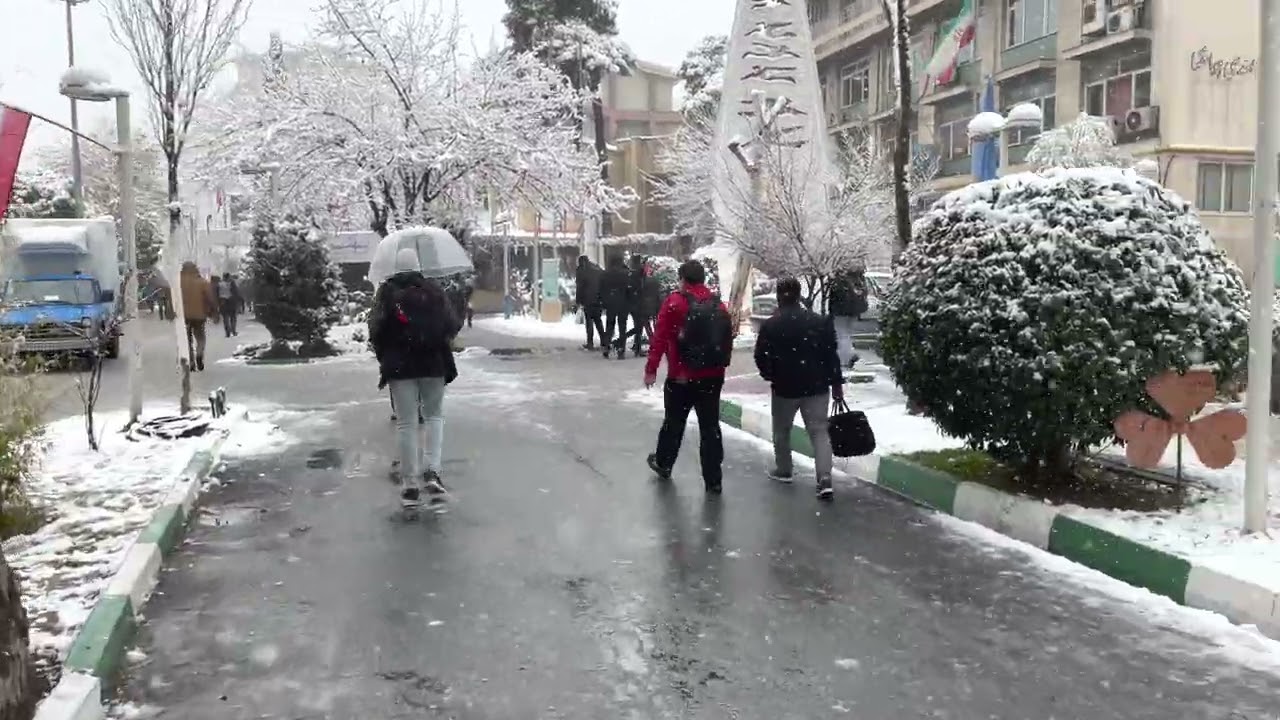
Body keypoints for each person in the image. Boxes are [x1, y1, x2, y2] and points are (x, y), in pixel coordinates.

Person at [369, 248, 462, 508]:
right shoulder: (433, 291)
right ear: (418, 266)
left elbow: (376, 329)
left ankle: (410, 482)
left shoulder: (387, 294)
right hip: (433, 364)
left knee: (406, 423)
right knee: (434, 417)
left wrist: (388, 354)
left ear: (395, 267)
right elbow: (452, 324)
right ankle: (432, 472)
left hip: (401, 367)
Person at [644, 260, 735, 494]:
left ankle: (664, 463)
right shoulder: (718, 305)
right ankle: (713, 479)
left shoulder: (675, 303)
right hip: (712, 377)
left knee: (674, 423)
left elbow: (660, 338)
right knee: (710, 427)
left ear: (683, 279)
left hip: (681, 377)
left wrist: (651, 369)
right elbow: (725, 338)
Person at [754, 277, 844, 499]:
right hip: (817, 386)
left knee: (782, 430)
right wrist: (837, 385)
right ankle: (824, 478)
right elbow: (831, 356)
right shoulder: (819, 322)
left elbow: (760, 356)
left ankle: (784, 469)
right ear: (799, 294)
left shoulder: (771, 325)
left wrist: (771, 374)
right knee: (819, 432)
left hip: (785, 387)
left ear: (778, 295)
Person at [179, 262, 218, 371]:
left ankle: (191, 361)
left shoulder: (178, 282)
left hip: (184, 316)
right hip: (199, 315)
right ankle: (199, 355)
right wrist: (214, 312)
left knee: (187, 340)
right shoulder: (202, 282)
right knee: (200, 337)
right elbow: (210, 298)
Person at [826, 269, 868, 369]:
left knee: (841, 335)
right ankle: (847, 356)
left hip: (841, 313)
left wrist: (832, 312)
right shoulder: (854, 280)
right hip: (851, 313)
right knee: (847, 335)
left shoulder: (838, 283)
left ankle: (844, 359)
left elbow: (833, 300)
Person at [598, 255, 631, 359]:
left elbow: (601, 289)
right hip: (623, 303)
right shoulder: (626, 273)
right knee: (622, 327)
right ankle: (621, 350)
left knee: (609, 326)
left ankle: (606, 347)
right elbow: (629, 289)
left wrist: (604, 301)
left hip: (611, 303)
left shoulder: (605, 274)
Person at [574, 255, 605, 350]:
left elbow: (580, 287)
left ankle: (590, 342)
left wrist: (578, 301)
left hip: (588, 300)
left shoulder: (581, 270)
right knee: (598, 320)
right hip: (599, 299)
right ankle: (604, 341)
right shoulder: (598, 269)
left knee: (589, 321)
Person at [623, 255, 648, 357]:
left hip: (629, 302)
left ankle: (624, 341)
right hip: (638, 302)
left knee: (637, 326)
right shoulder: (639, 272)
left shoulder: (629, 273)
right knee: (639, 327)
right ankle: (636, 347)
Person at [217, 273, 243, 337]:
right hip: (232, 301)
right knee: (233, 318)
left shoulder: (220, 284)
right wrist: (238, 300)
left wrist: (218, 302)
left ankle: (227, 332)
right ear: (229, 277)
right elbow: (236, 292)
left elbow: (217, 293)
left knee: (225, 318)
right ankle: (233, 331)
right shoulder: (232, 283)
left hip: (223, 301)